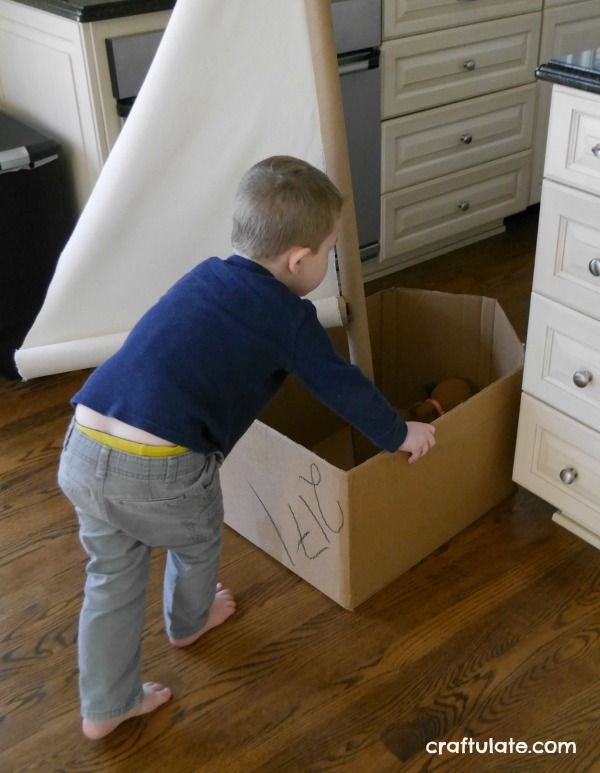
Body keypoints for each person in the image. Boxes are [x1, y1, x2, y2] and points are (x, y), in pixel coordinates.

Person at [58, 155, 436, 740]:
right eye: (329, 251)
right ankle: (190, 621)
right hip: (163, 468)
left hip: (84, 440)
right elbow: (343, 387)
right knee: (197, 539)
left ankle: (104, 704)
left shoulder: (204, 274)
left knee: (111, 575)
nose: (330, 262)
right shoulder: (289, 317)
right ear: (297, 261)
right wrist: (400, 433)